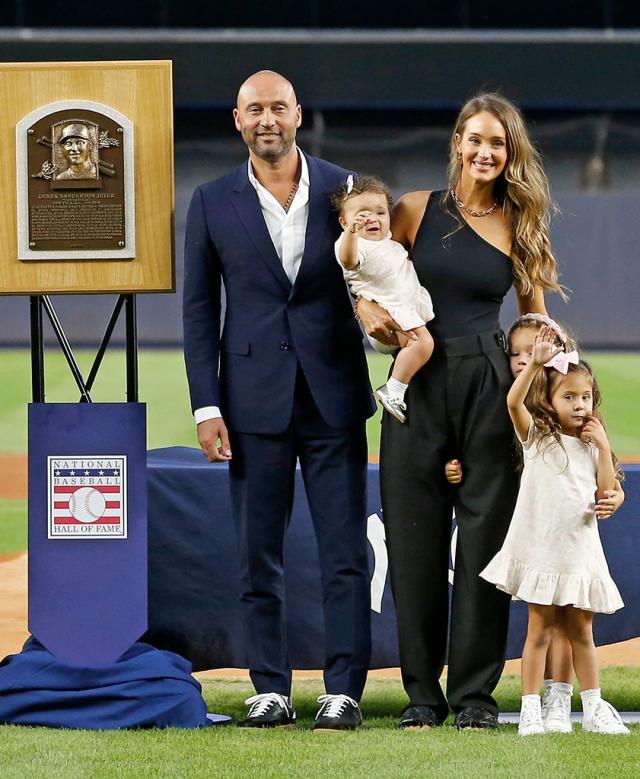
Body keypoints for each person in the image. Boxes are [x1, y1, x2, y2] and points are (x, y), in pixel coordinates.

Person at [356, 93, 564, 729]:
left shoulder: (520, 225)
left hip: (488, 381)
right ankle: (423, 695)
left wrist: (554, 375)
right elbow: (366, 274)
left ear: (509, 154)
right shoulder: (414, 209)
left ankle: (475, 697)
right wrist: (367, 316)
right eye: (475, 139)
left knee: (484, 543)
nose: (485, 151)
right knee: (414, 539)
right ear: (457, 144)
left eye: (497, 143)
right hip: (417, 379)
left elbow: (533, 317)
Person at [182, 70, 375, 732]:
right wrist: (206, 406)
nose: (268, 118)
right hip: (249, 402)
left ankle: (343, 687)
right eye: (255, 109)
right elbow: (200, 312)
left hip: (334, 395)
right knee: (257, 549)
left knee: (345, 548)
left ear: (299, 114)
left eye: (279, 108)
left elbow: (374, 278)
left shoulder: (342, 190)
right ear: (237, 119)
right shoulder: (210, 200)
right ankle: (270, 685)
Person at [445, 314, 625, 733]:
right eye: (570, 397)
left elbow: (605, 490)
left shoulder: (591, 442)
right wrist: (538, 365)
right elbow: (513, 403)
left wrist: (602, 444)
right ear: (549, 400)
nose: (580, 406)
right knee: (540, 627)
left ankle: (594, 707)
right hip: (542, 549)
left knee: (581, 628)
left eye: (586, 397)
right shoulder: (538, 438)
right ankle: (531, 709)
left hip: (578, 551)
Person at [332, 174, 434, 423]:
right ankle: (394, 390)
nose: (372, 218)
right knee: (424, 344)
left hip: (405, 309)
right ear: (344, 221)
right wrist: (350, 234)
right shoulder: (355, 245)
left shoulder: (389, 242)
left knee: (421, 347)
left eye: (380, 212)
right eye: (362, 214)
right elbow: (347, 260)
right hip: (388, 317)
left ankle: (399, 388)